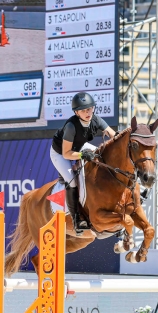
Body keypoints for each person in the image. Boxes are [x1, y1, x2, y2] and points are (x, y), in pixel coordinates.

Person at [50, 92, 116, 234]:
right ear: (76, 112)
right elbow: (67, 153)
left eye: (90, 108)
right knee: (72, 181)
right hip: (61, 153)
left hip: (79, 147)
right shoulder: (71, 127)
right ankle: (77, 219)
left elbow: (113, 135)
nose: (88, 112)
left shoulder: (96, 119)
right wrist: (81, 155)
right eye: (83, 110)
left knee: (101, 158)